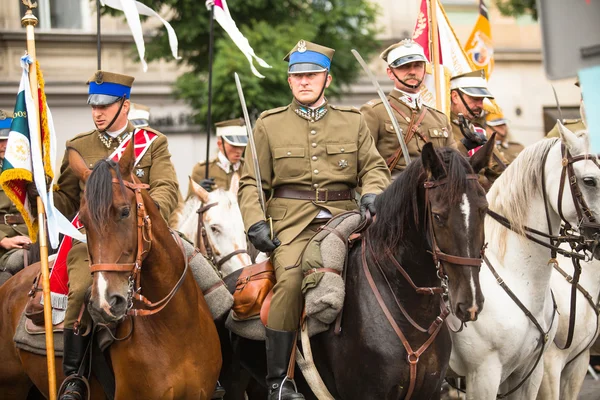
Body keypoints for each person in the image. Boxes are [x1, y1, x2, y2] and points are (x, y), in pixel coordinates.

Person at [238, 40, 389, 400]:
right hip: (291, 224)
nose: (304, 81)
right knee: (289, 282)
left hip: (346, 217)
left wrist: (372, 192)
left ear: (327, 79)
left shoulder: (351, 122)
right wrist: (255, 221)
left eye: (312, 75)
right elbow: (251, 182)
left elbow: (373, 168)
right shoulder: (269, 124)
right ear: (290, 82)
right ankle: (279, 381)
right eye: (297, 76)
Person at [53, 71, 179, 400]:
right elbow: (64, 200)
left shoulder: (153, 143)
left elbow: (167, 188)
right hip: (93, 244)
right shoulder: (78, 147)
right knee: (82, 289)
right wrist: (41, 192)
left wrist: (148, 219)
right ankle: (74, 376)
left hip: (146, 236)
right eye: (93, 106)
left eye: (105, 106)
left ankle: (213, 363)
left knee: (206, 279)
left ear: (125, 105)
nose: (97, 112)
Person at [361, 39, 456, 179]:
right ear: (390, 73)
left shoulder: (439, 118)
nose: (412, 71)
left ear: (424, 70)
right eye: (404, 66)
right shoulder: (374, 112)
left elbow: (454, 164)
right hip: (393, 193)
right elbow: (362, 162)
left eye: (418, 66)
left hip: (435, 194)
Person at [449, 69, 505, 189]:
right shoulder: (441, 126)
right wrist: (463, 146)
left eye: (481, 100)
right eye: (474, 99)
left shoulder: (478, 130)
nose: (480, 105)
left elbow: (500, 170)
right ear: (455, 97)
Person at [0, 109, 30, 283]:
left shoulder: (24, 168)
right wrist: (3, 240)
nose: (4, 145)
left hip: (29, 238)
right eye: (0, 141)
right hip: (4, 244)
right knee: (19, 261)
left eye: (8, 139)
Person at [189, 118, 247, 196]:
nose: (239, 151)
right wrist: (198, 193)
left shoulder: (249, 169)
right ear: (220, 144)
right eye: (234, 146)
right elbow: (189, 204)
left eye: (241, 146)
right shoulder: (202, 170)